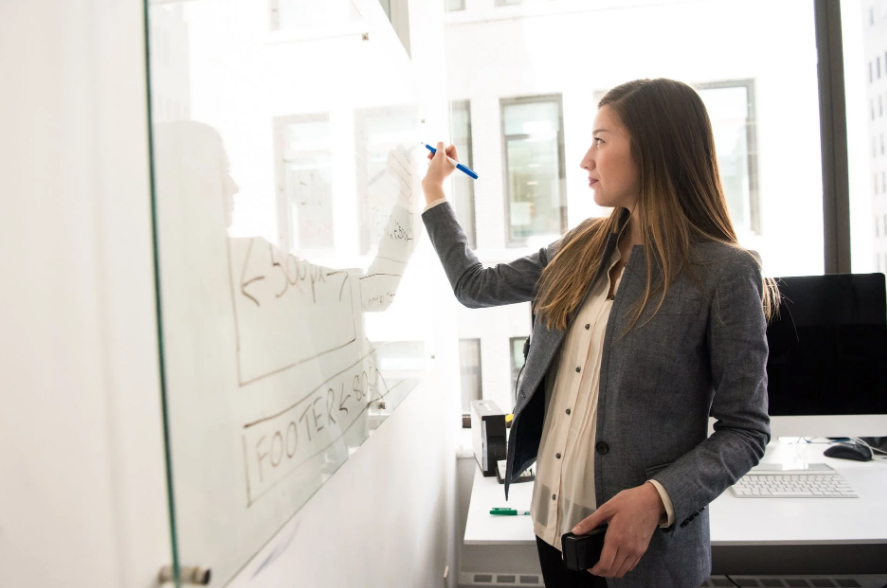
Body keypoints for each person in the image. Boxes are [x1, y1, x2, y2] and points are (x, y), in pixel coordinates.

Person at [420, 78, 776, 588]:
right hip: (554, 531)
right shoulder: (581, 246)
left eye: (601, 140)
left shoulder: (723, 271)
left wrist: (657, 498)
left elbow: (746, 430)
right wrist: (434, 193)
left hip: (642, 554)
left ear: (654, 150)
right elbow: (475, 286)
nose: (586, 160)